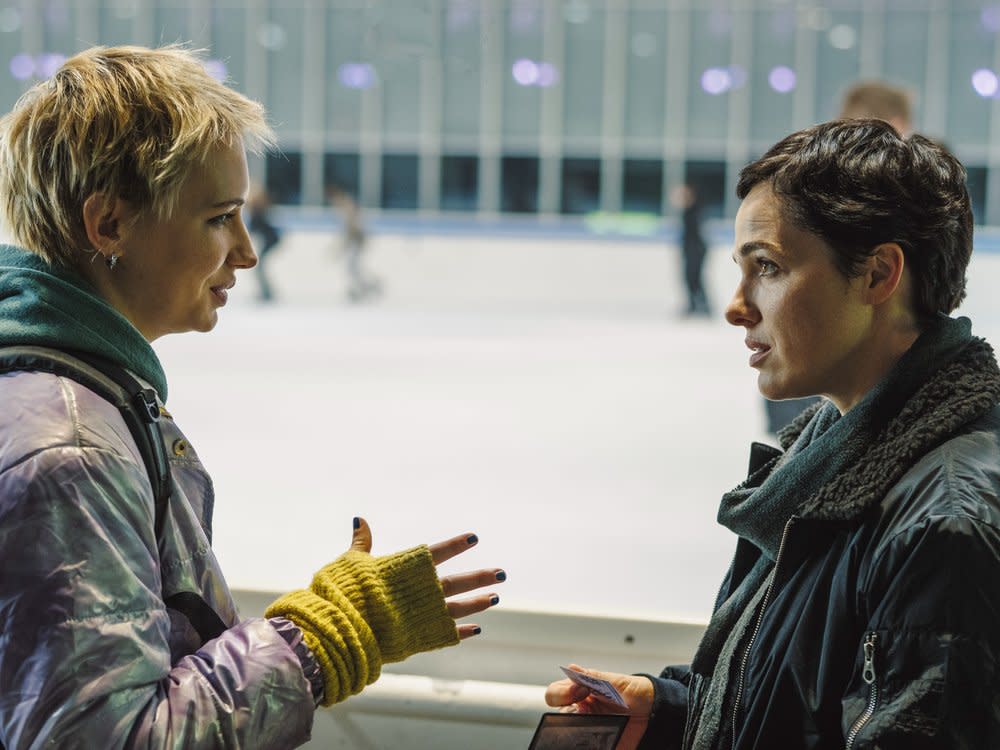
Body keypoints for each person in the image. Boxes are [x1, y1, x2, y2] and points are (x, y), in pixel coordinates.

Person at [0, 45, 504, 748]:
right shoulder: (72, 449)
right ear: (109, 224)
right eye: (219, 217)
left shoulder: (74, 397)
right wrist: (319, 639)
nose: (246, 251)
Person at [544, 119, 1000, 748]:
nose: (736, 305)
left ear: (877, 275)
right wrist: (674, 715)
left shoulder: (944, 526)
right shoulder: (823, 465)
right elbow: (807, 704)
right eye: (741, 268)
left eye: (769, 268)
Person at [764, 79, 915, 435]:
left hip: (799, 360)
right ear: (894, 125)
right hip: (849, 369)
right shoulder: (888, 193)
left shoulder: (796, 179)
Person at [328, 184, 380, 303]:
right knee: (352, 268)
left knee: (352, 268)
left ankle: (367, 287)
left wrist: (347, 243)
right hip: (355, 239)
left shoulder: (345, 204)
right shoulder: (344, 205)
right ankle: (365, 288)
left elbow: (353, 225)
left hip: (356, 239)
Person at [670, 183, 711, 317]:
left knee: (694, 277)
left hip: (696, 250)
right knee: (689, 278)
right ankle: (694, 304)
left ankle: (703, 305)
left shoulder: (695, 210)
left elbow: (697, 233)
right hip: (691, 249)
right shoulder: (688, 211)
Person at [247, 181, 283, 302]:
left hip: (271, 239)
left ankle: (267, 292)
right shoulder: (257, 211)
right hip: (270, 239)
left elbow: (253, 228)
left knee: (259, 267)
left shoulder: (258, 210)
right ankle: (266, 292)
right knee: (260, 267)